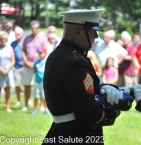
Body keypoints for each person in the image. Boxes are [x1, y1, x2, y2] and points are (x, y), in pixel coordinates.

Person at [43, 9, 130, 144]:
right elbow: (88, 113)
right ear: (78, 32)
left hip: (60, 131)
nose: (96, 36)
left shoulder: (57, 55)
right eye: (92, 30)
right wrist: (113, 112)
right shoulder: (76, 61)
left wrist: (102, 88)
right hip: (79, 134)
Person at [21, 20, 48, 112]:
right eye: (32, 28)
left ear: (39, 29)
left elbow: (45, 51)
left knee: (40, 85)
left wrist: (35, 63)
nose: (34, 30)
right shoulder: (27, 38)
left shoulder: (43, 38)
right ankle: (26, 104)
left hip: (39, 66)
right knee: (27, 85)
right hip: (27, 65)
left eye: (36, 28)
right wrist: (26, 61)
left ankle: (41, 105)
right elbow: (23, 51)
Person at [32, 47, 50, 115]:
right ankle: (35, 109)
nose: (39, 54)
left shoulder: (47, 62)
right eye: (38, 53)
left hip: (44, 83)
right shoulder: (36, 63)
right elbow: (34, 71)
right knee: (36, 96)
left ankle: (46, 109)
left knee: (45, 97)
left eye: (41, 53)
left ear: (45, 53)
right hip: (37, 82)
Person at [0, 32, 15, 112]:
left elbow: (13, 61)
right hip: (0, 71)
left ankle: (7, 107)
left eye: (5, 39)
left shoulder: (10, 48)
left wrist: (7, 70)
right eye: (2, 39)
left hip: (8, 72)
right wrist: (2, 70)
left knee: (7, 89)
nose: (3, 40)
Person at [11, 26, 25, 107]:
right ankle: (18, 100)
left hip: (25, 66)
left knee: (27, 85)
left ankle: (28, 99)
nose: (16, 35)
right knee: (17, 84)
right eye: (15, 34)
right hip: (16, 67)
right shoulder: (12, 44)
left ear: (22, 34)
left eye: (18, 34)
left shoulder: (25, 43)